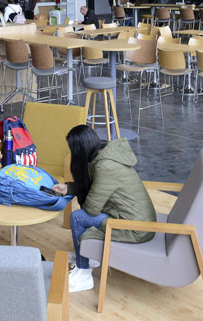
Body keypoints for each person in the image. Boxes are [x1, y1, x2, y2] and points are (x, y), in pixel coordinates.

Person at [52, 125, 156, 293]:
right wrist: (69, 189)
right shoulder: (104, 156)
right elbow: (98, 189)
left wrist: (80, 188)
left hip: (135, 227)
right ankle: (87, 256)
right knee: (81, 216)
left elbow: (92, 209)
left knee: (78, 217)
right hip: (136, 218)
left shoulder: (105, 167)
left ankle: (84, 272)